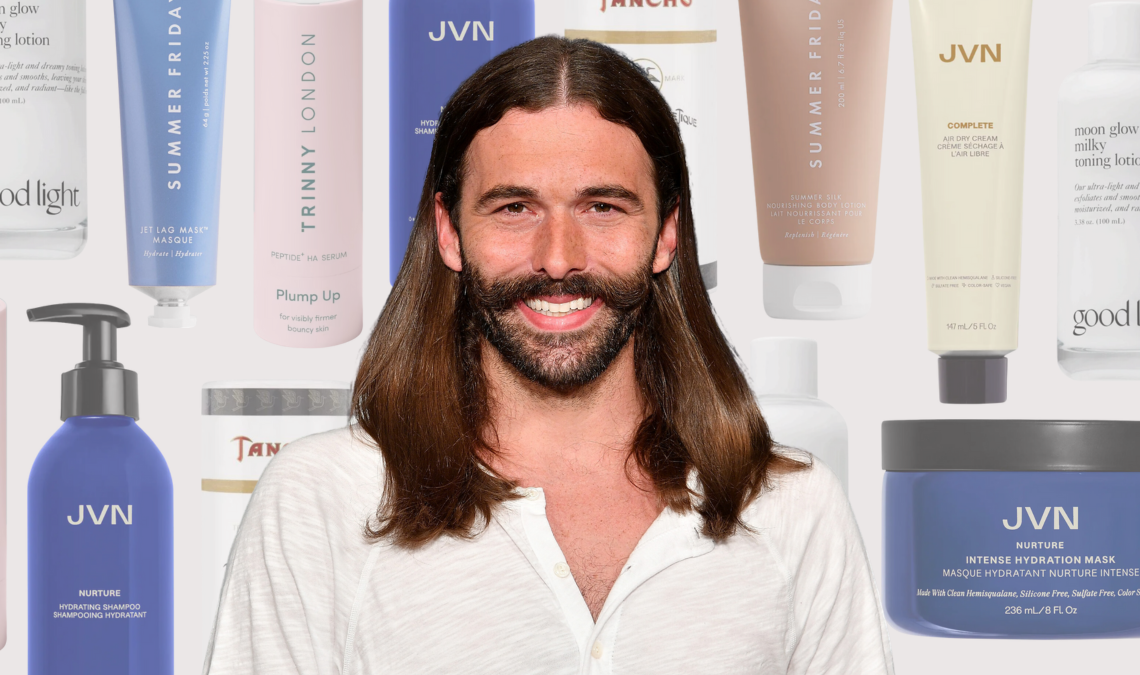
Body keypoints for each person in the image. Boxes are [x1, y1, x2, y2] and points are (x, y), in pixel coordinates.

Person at [204, 36, 894, 674]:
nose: (558, 258)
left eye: (602, 207)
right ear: (448, 232)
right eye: (514, 208)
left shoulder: (793, 509)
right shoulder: (322, 501)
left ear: (666, 234)